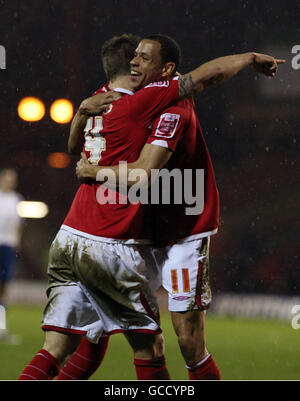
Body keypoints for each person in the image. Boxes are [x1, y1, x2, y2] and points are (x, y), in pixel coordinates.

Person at [19, 33, 284, 380]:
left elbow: (140, 169)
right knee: (119, 338)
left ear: (166, 69)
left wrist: (91, 163)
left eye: (146, 58)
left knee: (187, 339)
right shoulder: (128, 102)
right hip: (133, 232)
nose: (137, 63)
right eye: (136, 57)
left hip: (181, 227)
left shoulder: (159, 104)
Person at [0, 169, 23, 344]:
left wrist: (16, 244)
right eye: (7, 179)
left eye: (12, 180)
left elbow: (18, 225)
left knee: (4, 288)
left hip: (8, 247)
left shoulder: (16, 199)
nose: (10, 182)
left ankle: (1, 328)